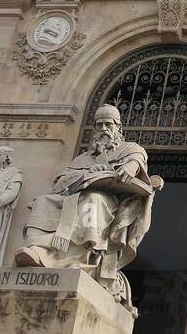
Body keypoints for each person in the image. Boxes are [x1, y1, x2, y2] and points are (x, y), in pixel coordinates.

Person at [14, 104, 161, 314]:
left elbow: (137, 161)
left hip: (112, 203)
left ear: (118, 127)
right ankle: (39, 250)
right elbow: (60, 182)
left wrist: (129, 167)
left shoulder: (130, 149)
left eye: (108, 124)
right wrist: (87, 173)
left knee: (93, 201)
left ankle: (81, 259)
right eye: (99, 124)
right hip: (74, 199)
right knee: (44, 201)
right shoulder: (84, 158)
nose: (103, 129)